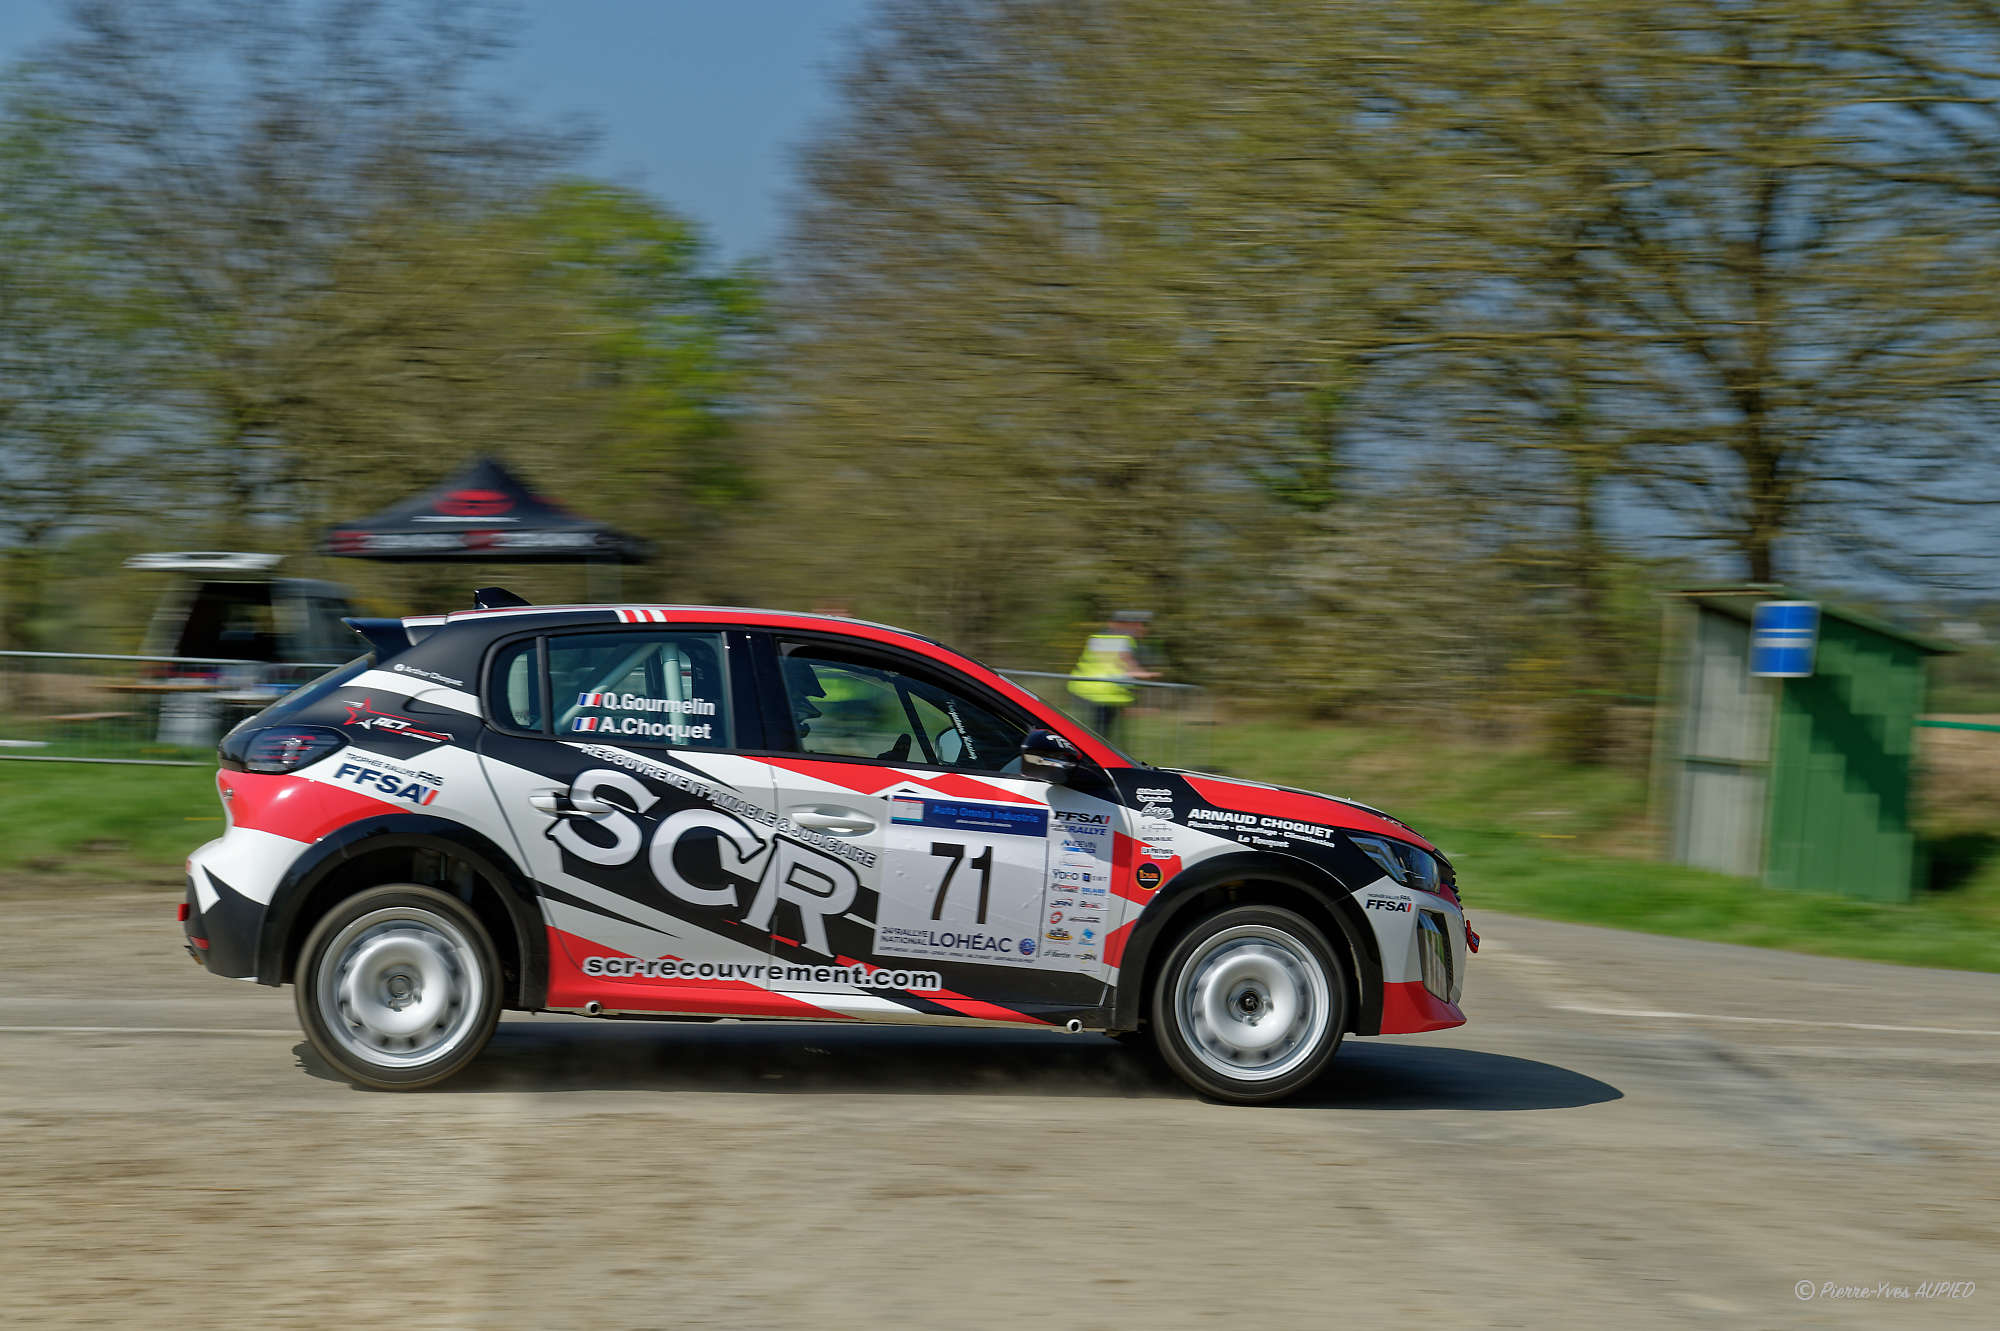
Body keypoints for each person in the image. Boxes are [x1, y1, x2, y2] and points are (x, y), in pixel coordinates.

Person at [1068, 612, 1158, 741]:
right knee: (1099, 736)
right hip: (1099, 693)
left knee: (1099, 734)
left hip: (1095, 692)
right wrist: (1141, 673)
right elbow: (1125, 659)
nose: (1141, 627)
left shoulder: (1101, 638)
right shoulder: (1117, 640)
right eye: (1136, 624)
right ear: (1119, 625)